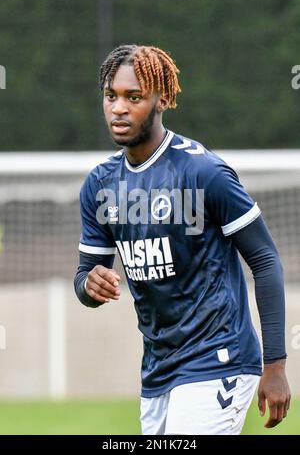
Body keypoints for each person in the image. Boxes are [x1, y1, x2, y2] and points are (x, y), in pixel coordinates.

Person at [74, 44, 291, 435]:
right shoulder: (100, 186)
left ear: (161, 100)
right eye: (111, 96)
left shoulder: (203, 171)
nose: (118, 108)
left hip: (219, 357)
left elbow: (265, 260)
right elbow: (85, 279)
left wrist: (275, 366)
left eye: (133, 97)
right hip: (158, 370)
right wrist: (90, 285)